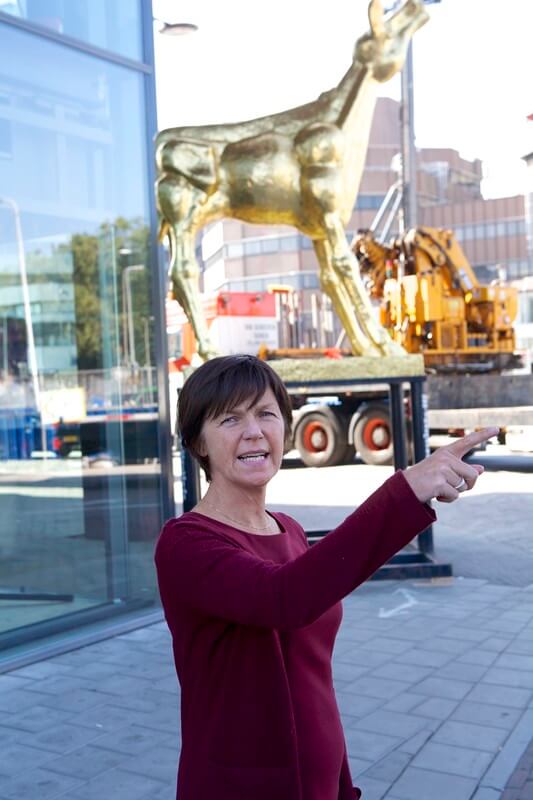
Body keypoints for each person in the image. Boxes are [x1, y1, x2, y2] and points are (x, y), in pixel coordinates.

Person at [154, 354, 498, 800]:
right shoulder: (186, 544)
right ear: (198, 442)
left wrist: (340, 782)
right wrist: (405, 490)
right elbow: (284, 599)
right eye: (230, 419)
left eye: (266, 413)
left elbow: (314, 684)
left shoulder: (290, 531)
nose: (254, 431)